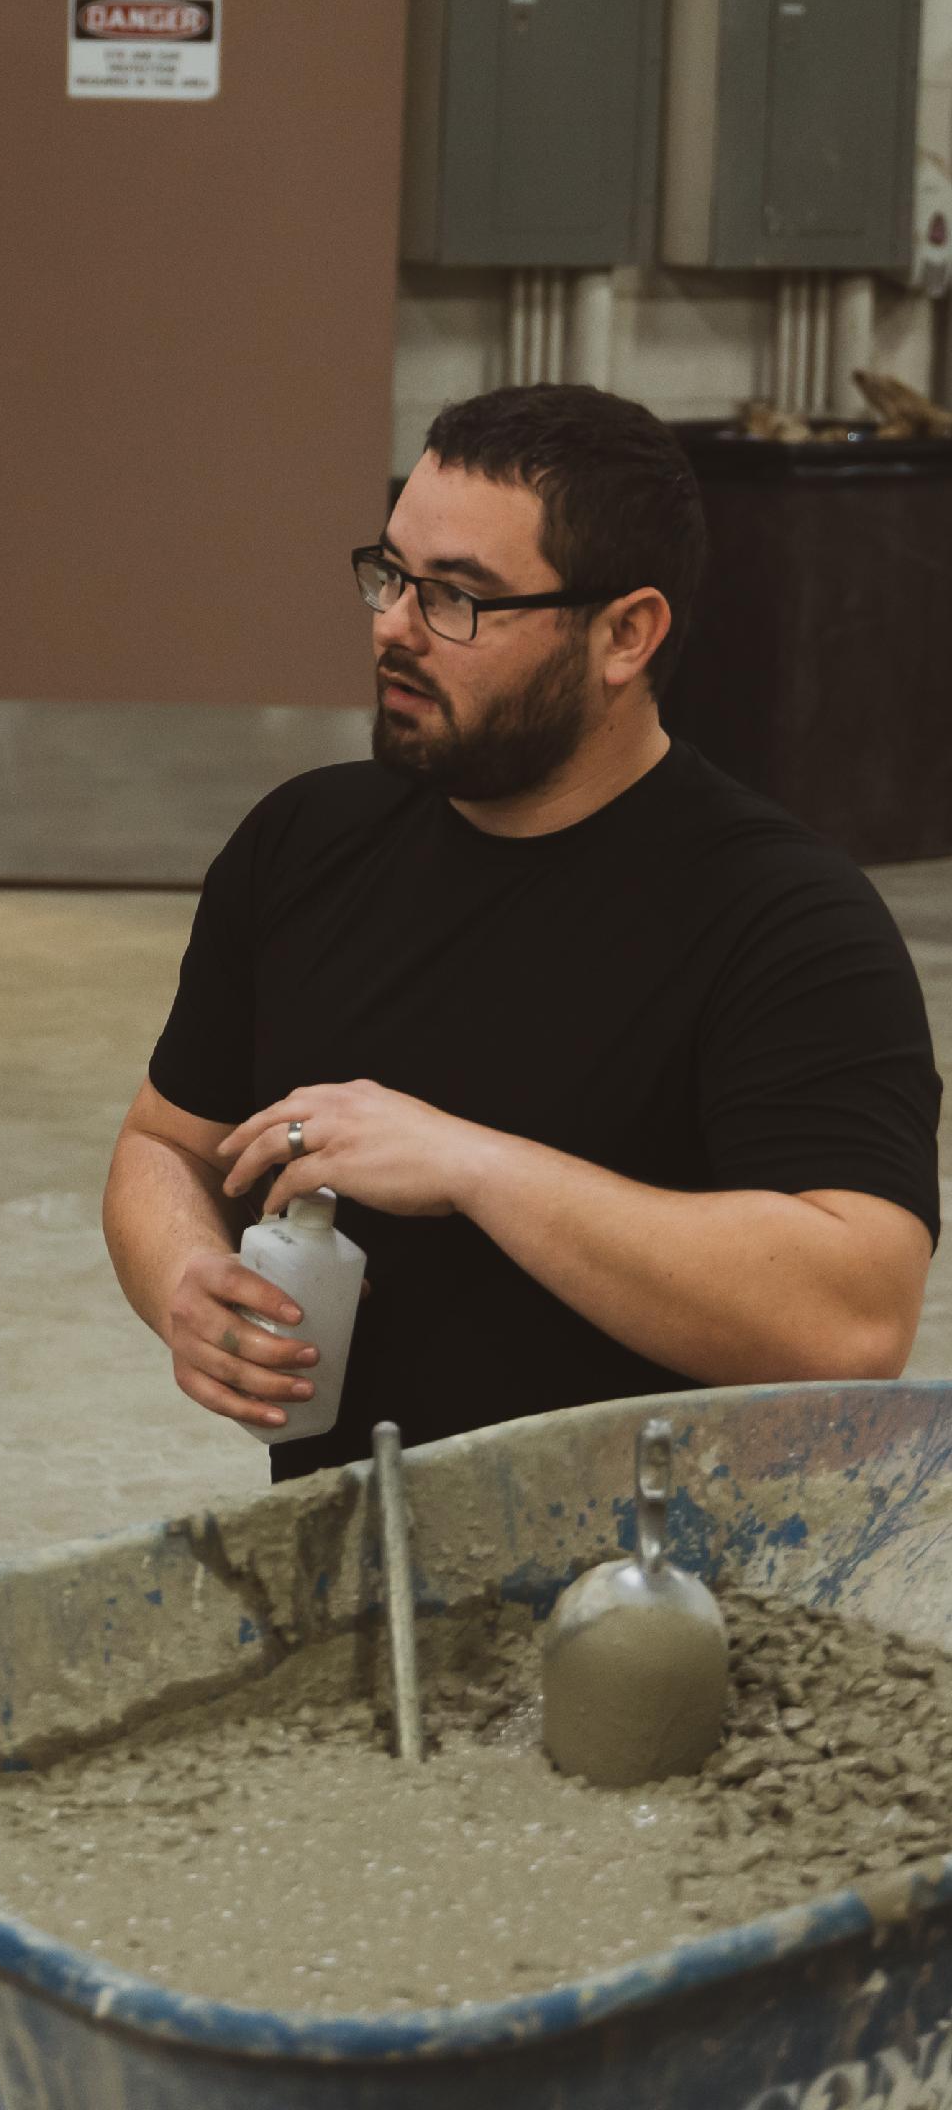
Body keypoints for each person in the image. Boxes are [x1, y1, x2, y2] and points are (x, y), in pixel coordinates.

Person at [103, 383, 938, 1481]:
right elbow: (168, 1144)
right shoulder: (304, 841)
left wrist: (474, 1166)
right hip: (364, 1548)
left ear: (626, 634)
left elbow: (853, 1322)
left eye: (460, 598)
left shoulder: (787, 919)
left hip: (648, 1570)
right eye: (392, 575)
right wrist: (184, 1277)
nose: (395, 627)